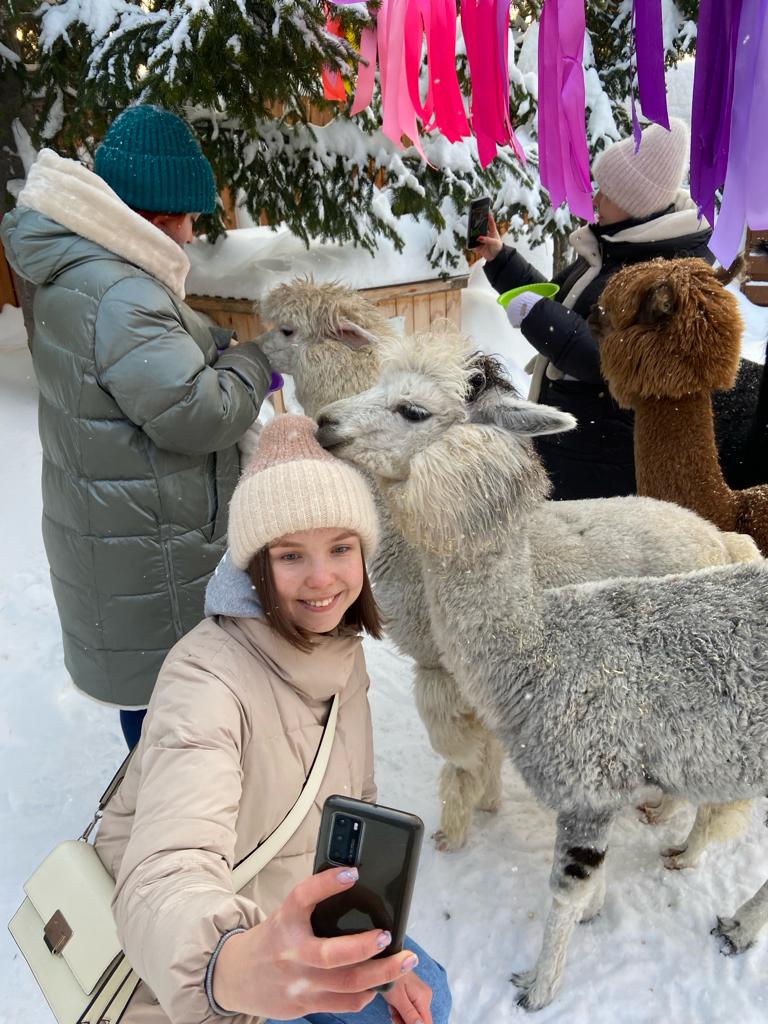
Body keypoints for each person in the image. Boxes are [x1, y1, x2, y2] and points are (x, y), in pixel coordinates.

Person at [94, 414, 452, 1024]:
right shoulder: (205, 680)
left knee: (429, 993)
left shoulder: (340, 652)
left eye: (341, 548)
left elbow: (353, 808)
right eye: (291, 555)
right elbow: (166, 868)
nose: (322, 579)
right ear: (254, 566)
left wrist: (373, 946)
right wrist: (229, 967)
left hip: (299, 913)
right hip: (201, 968)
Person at [1, 105, 275, 746]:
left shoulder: (83, 275)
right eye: (187, 218)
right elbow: (197, 412)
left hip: (120, 529)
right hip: (151, 544)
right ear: (157, 216)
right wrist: (254, 363)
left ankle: (168, 816)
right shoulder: (122, 292)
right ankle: (176, 831)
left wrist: (208, 343)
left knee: (157, 701)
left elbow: (131, 369)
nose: (190, 233)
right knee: (174, 719)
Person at [476, 118, 712, 500]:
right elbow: (563, 307)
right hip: (576, 444)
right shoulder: (616, 245)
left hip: (604, 460)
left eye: (608, 192)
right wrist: (502, 260)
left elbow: (609, 357)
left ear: (638, 202)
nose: (596, 200)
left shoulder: (667, 275)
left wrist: (536, 315)